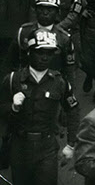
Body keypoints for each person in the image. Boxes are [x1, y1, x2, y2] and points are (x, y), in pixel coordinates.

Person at [0, 28, 80, 185]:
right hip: (19, 145)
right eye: (40, 52)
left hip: (47, 147)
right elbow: (1, 108)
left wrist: (71, 144)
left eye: (49, 53)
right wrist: (13, 108)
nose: (44, 57)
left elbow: (73, 110)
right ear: (29, 52)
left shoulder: (60, 82)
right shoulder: (13, 80)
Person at [5, 0, 76, 85]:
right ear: (35, 9)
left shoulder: (63, 38)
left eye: (50, 10)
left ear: (57, 12)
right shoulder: (23, 32)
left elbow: (69, 70)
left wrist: (67, 90)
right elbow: (10, 61)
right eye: (41, 9)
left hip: (52, 87)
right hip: (25, 85)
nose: (45, 13)